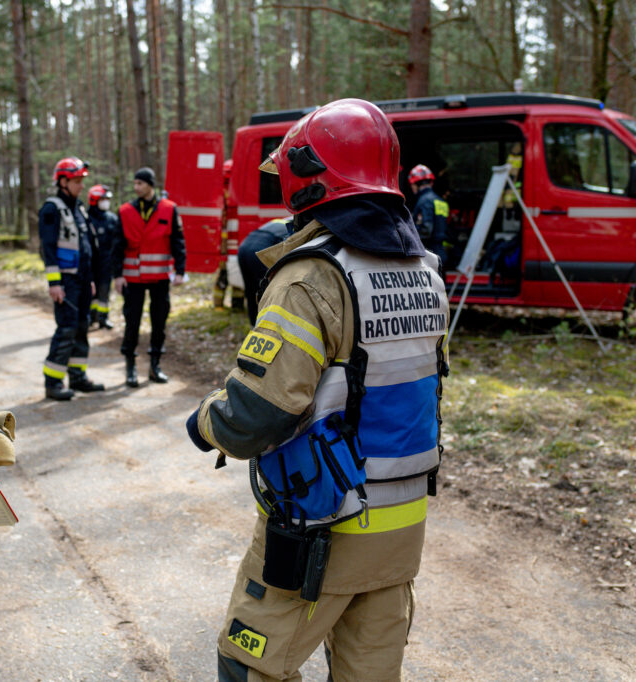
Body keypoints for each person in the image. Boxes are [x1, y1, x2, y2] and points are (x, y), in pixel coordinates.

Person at [185, 99, 449, 682]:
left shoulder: (311, 276)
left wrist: (203, 423)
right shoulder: (426, 271)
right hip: (402, 527)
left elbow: (256, 414)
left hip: (323, 524)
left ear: (308, 181)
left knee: (248, 663)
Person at [113, 166, 186, 387]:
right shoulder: (125, 211)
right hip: (132, 278)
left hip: (160, 278)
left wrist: (181, 271)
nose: (136, 187)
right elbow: (116, 246)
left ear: (150, 185)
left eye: (140, 183)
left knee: (159, 322)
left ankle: (155, 366)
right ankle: (130, 367)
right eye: (135, 183)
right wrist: (117, 275)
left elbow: (178, 242)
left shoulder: (169, 209)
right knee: (132, 322)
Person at [40, 157, 104, 401]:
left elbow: (85, 247)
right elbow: (48, 248)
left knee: (81, 329)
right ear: (63, 181)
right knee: (66, 329)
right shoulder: (52, 209)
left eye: (81, 181)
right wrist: (54, 283)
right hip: (65, 283)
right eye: (77, 181)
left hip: (82, 281)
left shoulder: (78, 209)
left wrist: (89, 279)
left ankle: (78, 378)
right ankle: (53, 383)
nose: (81, 186)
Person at [236, 218, 291, 327]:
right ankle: (267, 327)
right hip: (260, 249)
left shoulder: (281, 221)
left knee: (251, 290)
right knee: (268, 293)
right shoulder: (297, 227)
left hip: (243, 247)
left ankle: (254, 326)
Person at [213, 159, 245, 313]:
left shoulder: (219, 189)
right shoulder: (240, 188)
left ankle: (219, 304)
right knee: (236, 269)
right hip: (236, 234)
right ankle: (236, 304)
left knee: (224, 271)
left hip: (224, 237)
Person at [86, 184, 117, 330]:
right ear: (94, 200)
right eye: (103, 199)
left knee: (104, 293)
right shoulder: (86, 218)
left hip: (107, 265)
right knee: (91, 294)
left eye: (107, 199)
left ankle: (103, 319)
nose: (106, 202)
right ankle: (90, 318)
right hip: (90, 265)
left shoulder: (112, 219)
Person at [408, 163, 448, 265]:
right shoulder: (440, 201)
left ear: (416, 184)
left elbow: (426, 230)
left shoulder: (424, 201)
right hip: (441, 252)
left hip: (429, 255)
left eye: (412, 184)